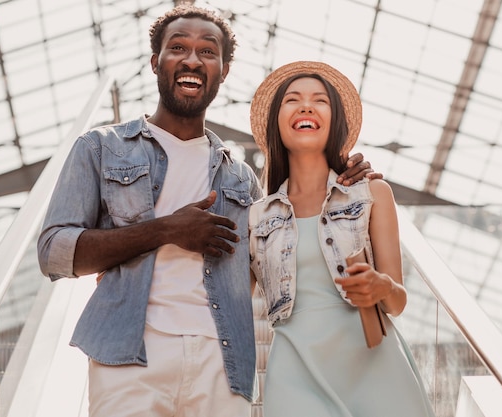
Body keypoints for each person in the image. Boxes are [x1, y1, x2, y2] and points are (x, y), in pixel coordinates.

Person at [36, 6, 378, 417]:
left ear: (224, 70)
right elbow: (54, 253)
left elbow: (284, 257)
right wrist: (164, 230)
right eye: (178, 47)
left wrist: (341, 179)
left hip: (224, 362)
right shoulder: (100, 148)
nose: (192, 59)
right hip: (128, 357)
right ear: (155, 62)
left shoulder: (243, 179)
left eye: (208, 51)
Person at [248, 61, 436, 417]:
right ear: (277, 121)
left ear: (335, 123)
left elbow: (397, 302)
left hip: (373, 361)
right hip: (292, 371)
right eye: (293, 99)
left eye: (320, 100)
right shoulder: (255, 217)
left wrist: (382, 287)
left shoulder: (373, 193)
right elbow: (232, 306)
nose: (306, 106)